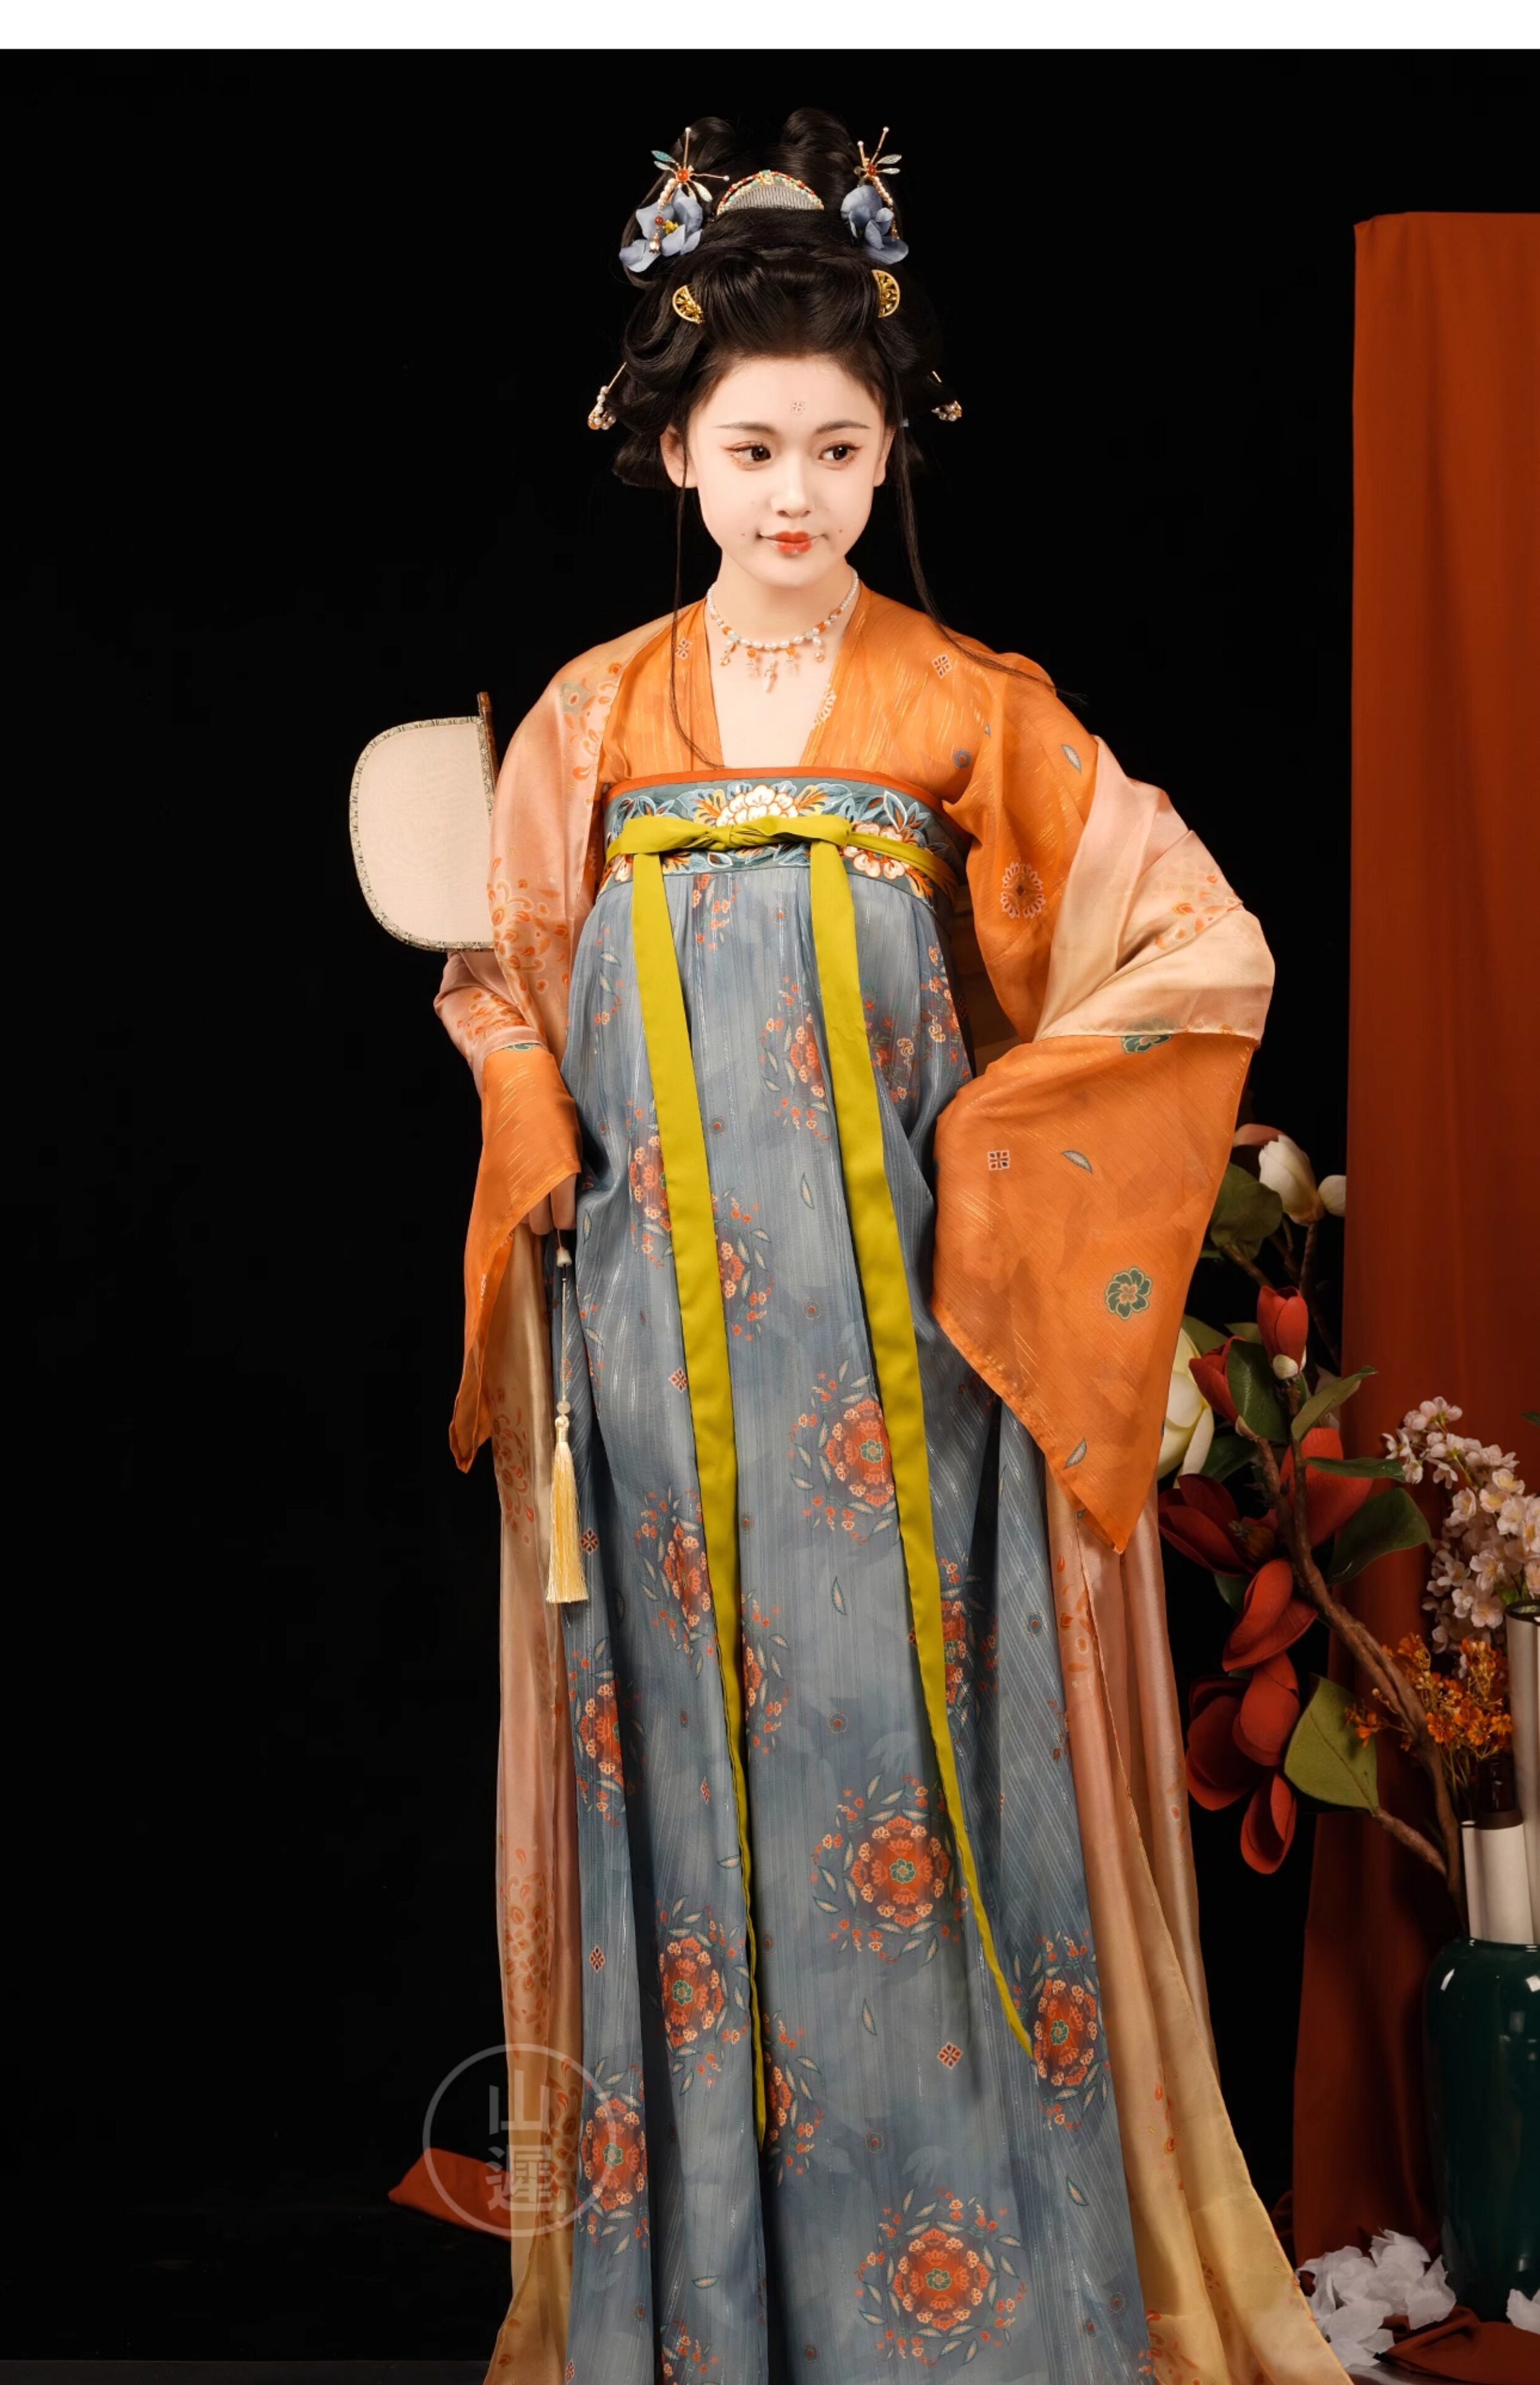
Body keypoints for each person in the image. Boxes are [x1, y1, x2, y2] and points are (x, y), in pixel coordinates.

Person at [433, 108, 1347, 2385]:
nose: (797, 499)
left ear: (885, 451)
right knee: (691, 1792)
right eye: (753, 450)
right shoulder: (590, 719)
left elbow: (1193, 943)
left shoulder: (968, 705)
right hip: (654, 1365)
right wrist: (527, 1098)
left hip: (907, 1375)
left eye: (840, 452)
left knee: (921, 1791)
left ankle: (969, 2318)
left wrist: (997, 1150)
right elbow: (502, 972)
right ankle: (704, 2315)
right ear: (672, 450)